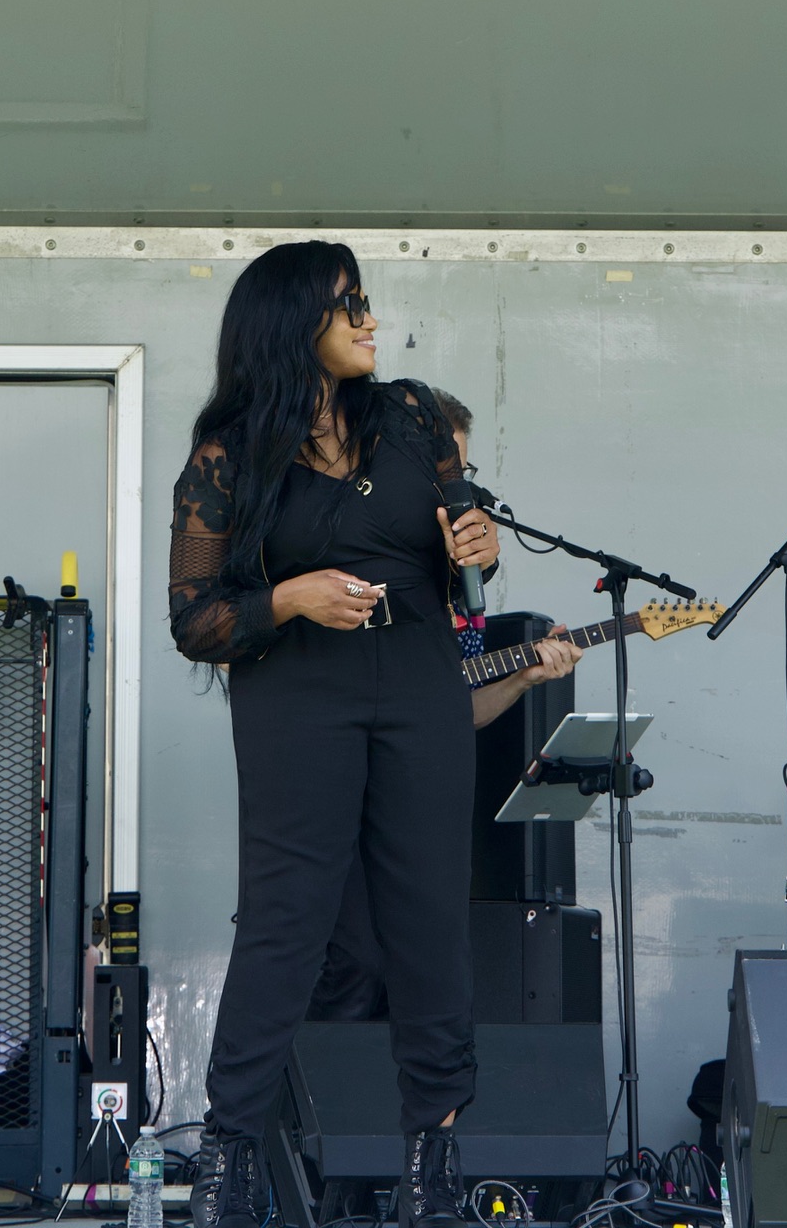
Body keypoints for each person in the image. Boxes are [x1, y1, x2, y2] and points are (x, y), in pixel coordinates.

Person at [169, 242, 501, 1228]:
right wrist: (290, 597)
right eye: (349, 304)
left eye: (365, 302)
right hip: (296, 690)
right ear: (292, 325)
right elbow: (194, 620)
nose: (369, 319)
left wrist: (481, 547)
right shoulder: (229, 456)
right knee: (287, 920)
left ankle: (433, 1164)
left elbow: (467, 567)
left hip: (418, 681)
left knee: (429, 917)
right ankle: (228, 1160)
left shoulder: (411, 417)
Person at [306, 389, 587, 1022]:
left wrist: (525, 679)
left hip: (413, 803)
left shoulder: (460, 589)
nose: (450, 485)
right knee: (352, 963)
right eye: (438, 468)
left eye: (459, 470)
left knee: (417, 967)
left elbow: (457, 710)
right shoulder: (352, 550)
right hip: (340, 792)